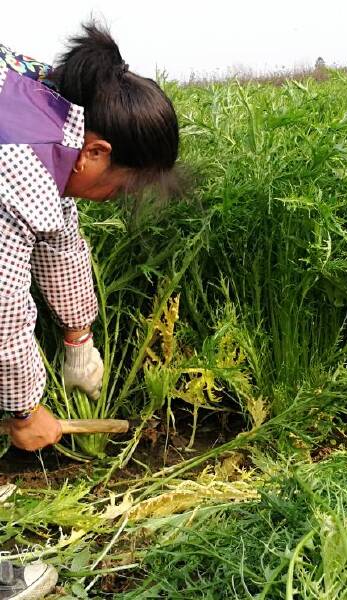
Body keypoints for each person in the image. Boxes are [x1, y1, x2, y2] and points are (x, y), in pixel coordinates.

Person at [0, 23, 179, 599]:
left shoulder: (52, 112)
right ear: (98, 152)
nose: (116, 199)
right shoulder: (17, 165)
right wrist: (25, 411)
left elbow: (59, 238)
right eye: (122, 188)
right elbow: (0, 313)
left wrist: (79, 336)